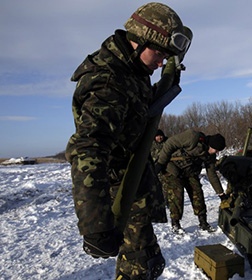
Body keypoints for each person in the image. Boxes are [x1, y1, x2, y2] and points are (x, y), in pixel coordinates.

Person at [65, 3, 191, 279]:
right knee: (139, 266)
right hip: (118, 191)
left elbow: (137, 112)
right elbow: (88, 148)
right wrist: (96, 225)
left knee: (148, 262)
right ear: (139, 40)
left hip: (134, 187)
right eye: (159, 54)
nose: (160, 63)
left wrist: (168, 83)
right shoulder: (109, 81)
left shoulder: (132, 71)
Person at [154, 129, 227, 234]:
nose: (217, 152)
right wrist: (160, 163)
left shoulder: (210, 155)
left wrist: (221, 193)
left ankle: (203, 221)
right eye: (216, 149)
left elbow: (212, 174)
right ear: (211, 145)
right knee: (177, 195)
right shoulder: (193, 137)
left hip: (190, 171)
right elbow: (170, 143)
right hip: (173, 168)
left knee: (197, 193)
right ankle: (175, 223)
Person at [151, 129, 169, 205]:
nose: (160, 137)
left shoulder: (167, 143)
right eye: (158, 136)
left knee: (166, 186)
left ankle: (165, 201)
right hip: (154, 168)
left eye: (161, 136)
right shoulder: (151, 145)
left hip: (166, 168)